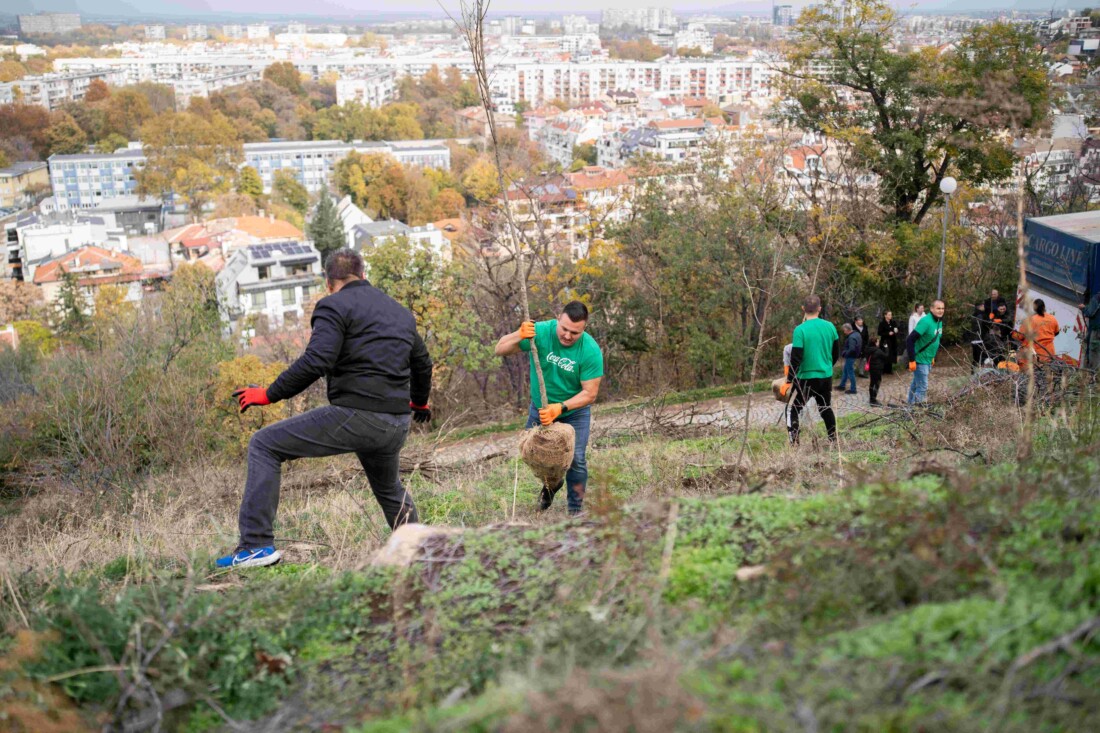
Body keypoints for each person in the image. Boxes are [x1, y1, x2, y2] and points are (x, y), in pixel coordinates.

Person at [219, 249, 433, 569]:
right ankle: (423, 552)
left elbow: (317, 360)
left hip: (357, 416)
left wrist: (269, 394)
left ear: (329, 281)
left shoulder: (333, 305)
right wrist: (419, 402)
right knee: (388, 486)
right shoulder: (399, 312)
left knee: (264, 444)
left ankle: (256, 546)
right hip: (396, 423)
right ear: (363, 274)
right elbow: (422, 362)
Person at [494, 301, 604, 515]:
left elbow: (590, 394)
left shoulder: (590, 351)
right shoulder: (542, 332)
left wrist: (560, 409)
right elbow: (500, 349)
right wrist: (519, 334)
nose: (568, 336)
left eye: (575, 332)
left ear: (584, 329)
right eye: (564, 329)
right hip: (540, 407)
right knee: (533, 452)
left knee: (576, 460)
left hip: (573, 411)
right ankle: (552, 486)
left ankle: (575, 510)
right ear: (558, 319)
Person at [786, 294, 840, 444]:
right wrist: (827, 366)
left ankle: (795, 442)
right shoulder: (830, 327)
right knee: (825, 408)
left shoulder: (800, 330)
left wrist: (789, 379)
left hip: (805, 378)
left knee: (795, 409)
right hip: (825, 376)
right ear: (820, 309)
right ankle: (833, 440)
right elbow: (836, 353)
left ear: (803, 309)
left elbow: (795, 358)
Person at [906, 299, 945, 405]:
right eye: (938, 308)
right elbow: (910, 340)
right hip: (920, 359)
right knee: (923, 387)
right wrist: (911, 360)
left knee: (915, 384)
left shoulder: (939, 321)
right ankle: (915, 412)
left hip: (928, 359)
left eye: (942, 308)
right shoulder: (926, 322)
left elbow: (934, 339)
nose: (941, 311)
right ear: (932, 309)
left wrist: (932, 356)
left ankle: (909, 408)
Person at [836, 322, 861, 394]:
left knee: (850, 372)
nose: (844, 332)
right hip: (853, 355)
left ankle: (853, 389)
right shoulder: (857, 334)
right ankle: (842, 385)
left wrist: (844, 353)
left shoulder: (851, 337)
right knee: (846, 371)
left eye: (844, 330)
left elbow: (852, 349)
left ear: (847, 329)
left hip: (851, 356)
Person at [1078, 291, 1100, 369]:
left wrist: (1083, 308)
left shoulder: (1097, 298)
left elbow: (1090, 313)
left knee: (1093, 354)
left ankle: (1093, 375)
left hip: (1096, 331)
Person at [968, 302, 991, 371]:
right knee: (982, 358)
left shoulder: (974, 315)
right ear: (980, 306)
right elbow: (985, 326)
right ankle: (982, 373)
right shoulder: (981, 315)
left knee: (975, 358)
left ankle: (973, 372)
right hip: (980, 339)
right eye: (983, 305)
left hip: (974, 339)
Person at [877, 311, 900, 375]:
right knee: (885, 354)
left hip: (892, 341)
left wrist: (896, 331)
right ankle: (883, 370)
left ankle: (889, 369)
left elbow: (896, 329)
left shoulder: (893, 322)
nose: (890, 316)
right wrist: (887, 333)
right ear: (885, 315)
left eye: (891, 315)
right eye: (889, 315)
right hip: (885, 341)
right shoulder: (882, 323)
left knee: (891, 355)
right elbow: (879, 332)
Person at [867, 338, 889, 405]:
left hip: (871, 368)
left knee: (872, 383)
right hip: (877, 369)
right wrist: (886, 347)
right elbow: (886, 355)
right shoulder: (878, 351)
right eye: (878, 342)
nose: (879, 343)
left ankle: (871, 398)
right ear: (875, 343)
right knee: (877, 383)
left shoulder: (868, 350)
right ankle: (873, 400)